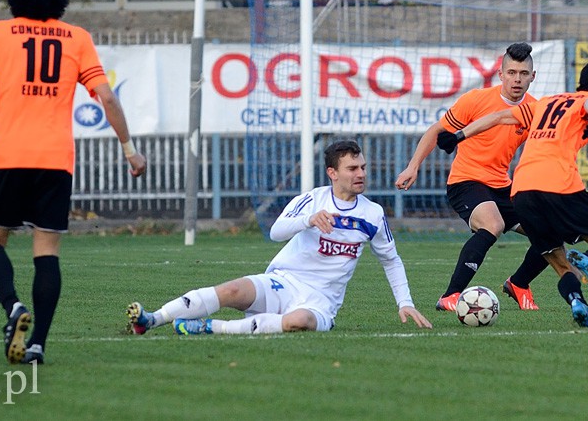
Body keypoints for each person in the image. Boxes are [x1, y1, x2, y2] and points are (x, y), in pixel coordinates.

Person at [0, 0, 147, 364]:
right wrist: (129, 148)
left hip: (9, 155)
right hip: (55, 160)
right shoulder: (76, 38)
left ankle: (13, 307)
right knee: (46, 251)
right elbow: (109, 98)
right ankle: (38, 344)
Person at [127, 140, 432, 336]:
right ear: (332, 173)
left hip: (321, 301)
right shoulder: (312, 200)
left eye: (363, 167)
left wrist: (404, 303)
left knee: (298, 322)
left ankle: (210, 328)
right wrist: (307, 221)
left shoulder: (373, 214)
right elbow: (276, 232)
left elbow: (391, 260)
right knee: (231, 290)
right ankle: (152, 319)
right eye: (352, 168)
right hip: (284, 280)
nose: (360, 173)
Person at [439, 50, 588, 327]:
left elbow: (501, 117)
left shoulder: (547, 102)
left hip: (522, 189)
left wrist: (458, 135)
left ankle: (577, 302)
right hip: (561, 185)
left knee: (558, 260)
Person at [395, 42, 549, 312]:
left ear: (532, 77)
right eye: (511, 72)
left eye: (523, 73)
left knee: (550, 231)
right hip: (466, 181)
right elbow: (436, 131)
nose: (517, 79)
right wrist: (413, 166)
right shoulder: (475, 100)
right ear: (500, 75)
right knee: (493, 223)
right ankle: (450, 296)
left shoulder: (535, 110)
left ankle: (519, 283)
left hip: (503, 187)